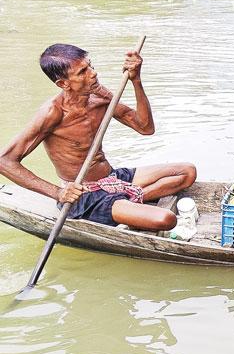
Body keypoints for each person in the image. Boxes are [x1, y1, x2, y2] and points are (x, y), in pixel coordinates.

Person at [0, 44, 196, 231]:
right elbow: (5, 161)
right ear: (63, 83)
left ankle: (127, 198)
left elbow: (145, 128)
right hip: (85, 196)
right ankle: (125, 202)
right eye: (82, 72)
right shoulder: (53, 112)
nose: (93, 73)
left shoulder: (98, 97)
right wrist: (58, 193)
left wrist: (136, 80)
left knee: (187, 172)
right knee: (165, 219)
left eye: (90, 65)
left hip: (111, 177)